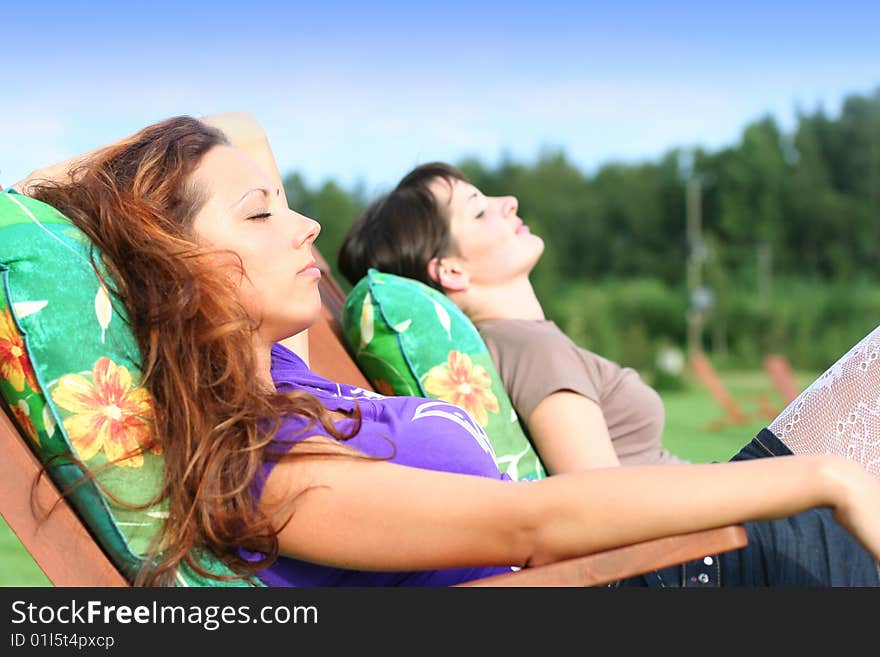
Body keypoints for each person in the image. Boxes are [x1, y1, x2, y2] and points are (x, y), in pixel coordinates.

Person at [19, 116, 880, 588]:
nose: (307, 223)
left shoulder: (289, 379)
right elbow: (531, 527)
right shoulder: (262, 470)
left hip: (684, 559)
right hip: (668, 579)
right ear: (180, 269)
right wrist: (826, 480)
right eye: (261, 214)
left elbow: (234, 128)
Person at [337, 163, 880, 481]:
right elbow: (601, 494)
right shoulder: (530, 348)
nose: (508, 201)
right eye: (479, 210)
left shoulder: (517, 345)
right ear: (450, 269)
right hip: (722, 539)